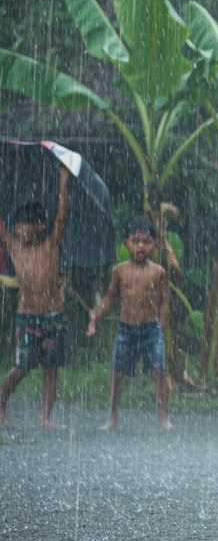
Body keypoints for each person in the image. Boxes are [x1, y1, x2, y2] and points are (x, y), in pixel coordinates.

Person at [0, 167, 71, 428]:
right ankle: (1, 406)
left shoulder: (51, 244)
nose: (20, 229)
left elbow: (62, 215)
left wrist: (63, 182)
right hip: (27, 316)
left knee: (51, 369)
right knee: (21, 367)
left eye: (25, 224)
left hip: (54, 315)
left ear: (40, 226)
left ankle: (45, 417)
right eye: (17, 225)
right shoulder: (14, 246)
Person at [87, 217, 171, 431]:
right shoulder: (120, 270)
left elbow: (163, 303)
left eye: (146, 241)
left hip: (151, 330)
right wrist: (95, 319)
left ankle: (163, 418)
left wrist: (161, 328)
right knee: (117, 373)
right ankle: (113, 416)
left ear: (154, 245)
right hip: (126, 330)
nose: (140, 246)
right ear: (126, 243)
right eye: (135, 241)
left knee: (159, 371)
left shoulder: (158, 272)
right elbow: (109, 298)